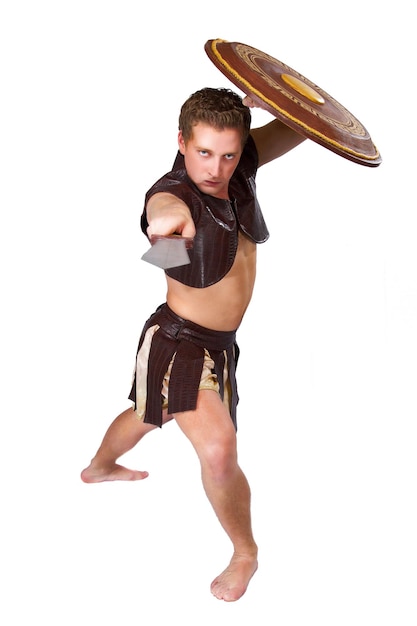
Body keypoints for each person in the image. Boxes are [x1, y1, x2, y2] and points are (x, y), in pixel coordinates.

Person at [81, 87, 305, 601]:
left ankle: (98, 468)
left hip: (221, 345)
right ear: (181, 141)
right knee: (220, 448)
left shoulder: (239, 167)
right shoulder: (174, 194)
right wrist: (164, 227)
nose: (215, 167)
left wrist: (281, 103)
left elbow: (303, 129)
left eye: (228, 154)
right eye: (203, 152)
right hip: (180, 341)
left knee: (147, 410)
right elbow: (162, 212)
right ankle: (246, 552)